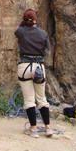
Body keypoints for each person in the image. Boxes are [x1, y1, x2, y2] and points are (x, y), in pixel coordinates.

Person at [15, 8, 54, 138]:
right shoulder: (43, 33)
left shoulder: (21, 32)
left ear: (24, 20)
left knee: (29, 100)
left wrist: (25, 23)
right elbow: (48, 50)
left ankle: (34, 129)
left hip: (24, 67)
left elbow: (18, 30)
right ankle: (48, 128)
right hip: (39, 67)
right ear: (35, 20)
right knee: (41, 99)